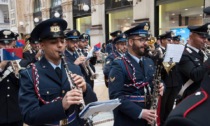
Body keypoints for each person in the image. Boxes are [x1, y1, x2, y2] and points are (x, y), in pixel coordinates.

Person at [18, 18, 97, 126]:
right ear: (42, 45)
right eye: (53, 42)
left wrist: (85, 89)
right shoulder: (29, 74)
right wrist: (61, 105)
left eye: (62, 41)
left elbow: (91, 102)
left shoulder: (74, 68)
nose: (60, 45)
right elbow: (28, 116)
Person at [108, 22, 164, 126]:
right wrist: (140, 113)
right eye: (141, 40)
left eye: (146, 40)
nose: (146, 43)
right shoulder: (119, 64)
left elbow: (157, 79)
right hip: (129, 119)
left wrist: (161, 86)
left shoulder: (149, 61)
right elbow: (115, 96)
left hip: (149, 116)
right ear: (130, 42)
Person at [176, 23, 210, 102]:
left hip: (203, 93)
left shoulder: (201, 53)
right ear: (191, 36)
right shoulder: (183, 54)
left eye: (206, 38)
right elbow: (195, 75)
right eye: (202, 37)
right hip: (190, 96)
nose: (205, 40)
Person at [156, 32, 181, 126]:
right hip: (165, 83)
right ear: (162, 40)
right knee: (162, 107)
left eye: (171, 40)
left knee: (170, 106)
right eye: (168, 40)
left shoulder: (172, 51)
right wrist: (169, 63)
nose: (170, 42)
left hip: (174, 82)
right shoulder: (158, 51)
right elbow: (159, 70)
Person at [0, 29, 23, 126]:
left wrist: (17, 72)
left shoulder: (18, 59)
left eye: (9, 43)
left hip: (16, 112)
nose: (6, 46)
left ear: (13, 43)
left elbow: (23, 86)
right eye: (2, 43)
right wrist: (2, 66)